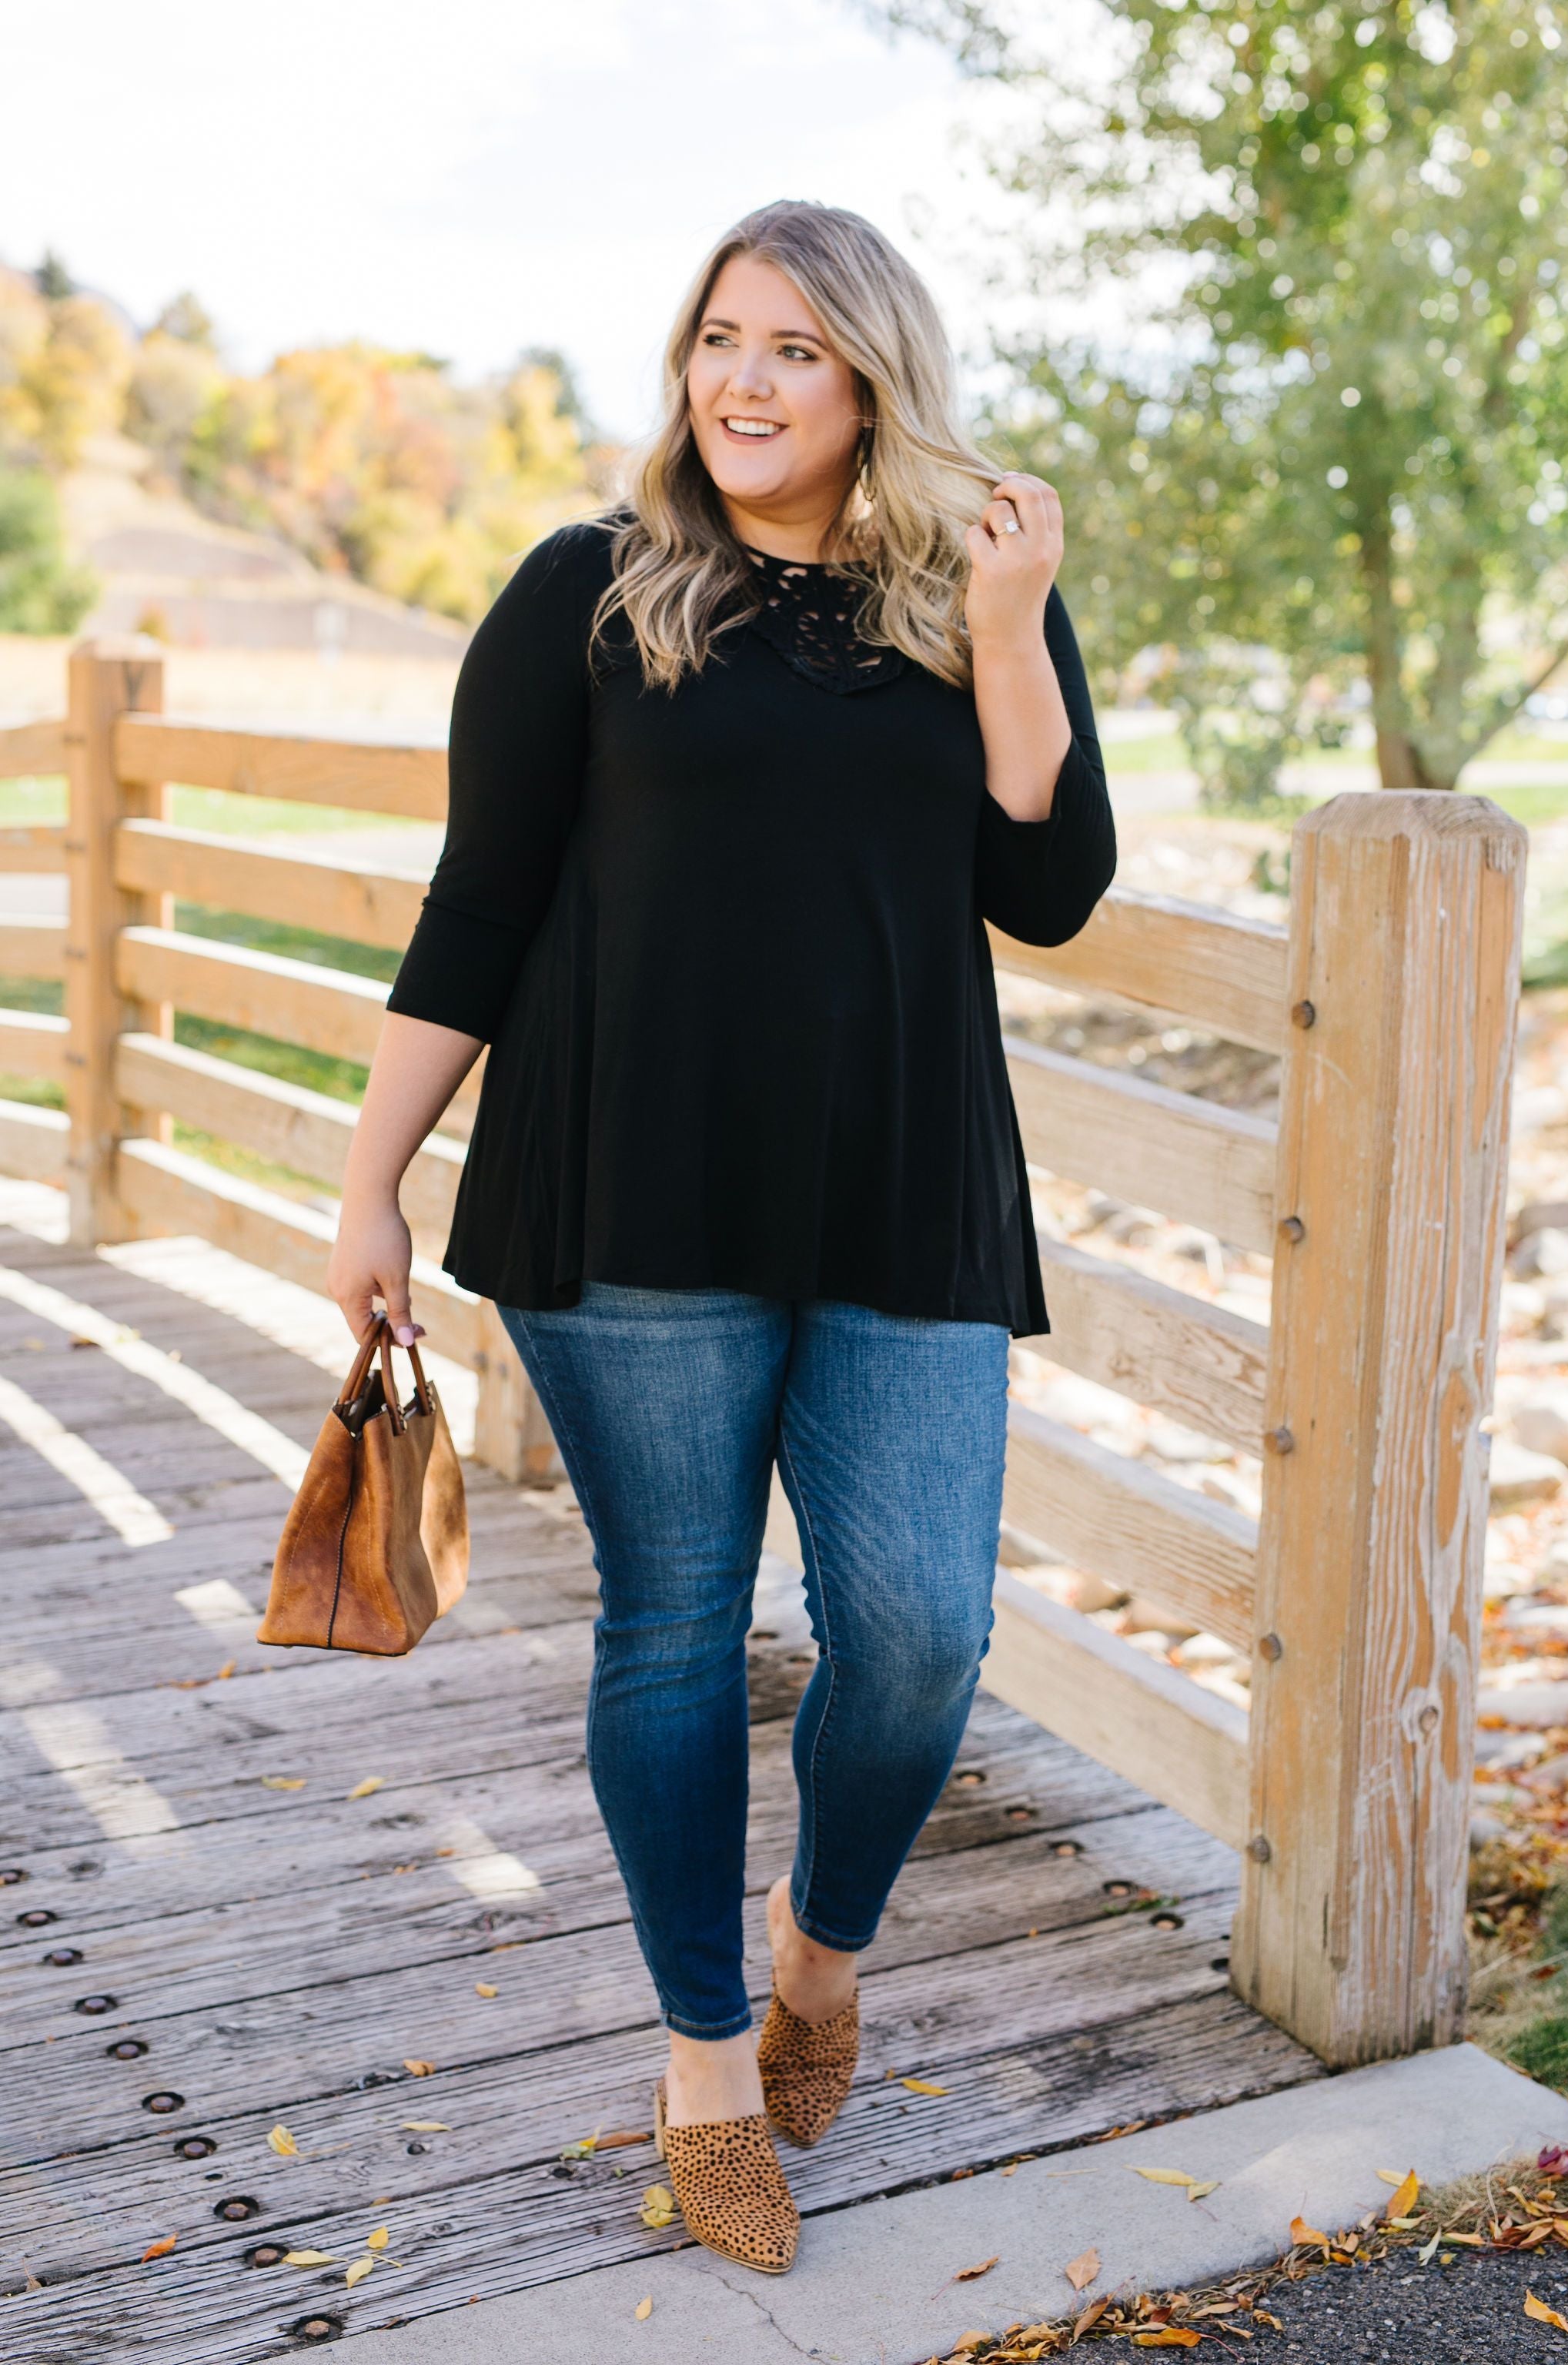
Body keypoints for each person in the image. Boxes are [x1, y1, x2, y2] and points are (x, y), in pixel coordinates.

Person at [326, 198, 1115, 2276]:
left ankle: (820, 1958)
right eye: (719, 339)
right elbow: (478, 897)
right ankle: (701, 2059)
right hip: (632, 1189)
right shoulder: (590, 593)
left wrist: (1022, 619)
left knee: (923, 1623)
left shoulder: (965, 598)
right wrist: (370, 1178)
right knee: (677, 1624)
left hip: (900, 1188)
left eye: (793, 348)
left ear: (872, 382)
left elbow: (1051, 893)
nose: (742, 380)